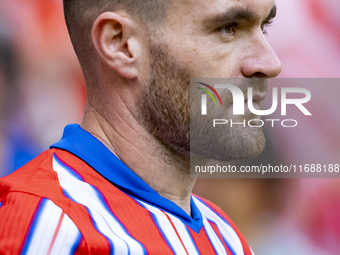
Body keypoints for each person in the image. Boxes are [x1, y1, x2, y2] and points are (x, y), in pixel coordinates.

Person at [0, 0, 281, 254]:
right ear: (120, 45)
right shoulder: (47, 221)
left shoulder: (226, 238)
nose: (270, 63)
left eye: (264, 27)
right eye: (228, 28)